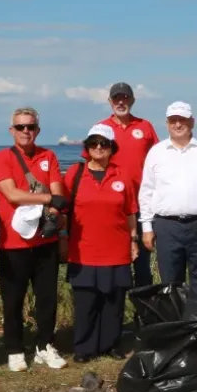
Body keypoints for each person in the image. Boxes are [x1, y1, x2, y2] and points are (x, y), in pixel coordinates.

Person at [0, 107, 69, 372]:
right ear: (12, 130)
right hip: (14, 244)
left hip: (45, 242)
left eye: (31, 126)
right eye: (21, 127)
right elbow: (12, 195)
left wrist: (55, 211)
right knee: (13, 299)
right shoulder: (2, 158)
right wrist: (49, 200)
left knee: (47, 298)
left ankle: (44, 345)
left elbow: (59, 190)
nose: (26, 131)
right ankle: (14, 349)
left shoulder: (49, 155)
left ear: (38, 129)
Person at [139, 101, 197, 318]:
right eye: (173, 120)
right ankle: (176, 336)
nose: (178, 124)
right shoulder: (156, 152)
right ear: (167, 123)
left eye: (182, 119)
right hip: (166, 226)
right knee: (170, 284)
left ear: (192, 121)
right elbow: (146, 192)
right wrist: (146, 227)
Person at [64, 123, 139, 362]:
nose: (99, 147)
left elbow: (130, 212)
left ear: (111, 148)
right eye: (94, 143)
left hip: (116, 249)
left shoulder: (122, 175)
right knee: (85, 302)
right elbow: (63, 212)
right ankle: (84, 348)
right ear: (87, 147)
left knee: (113, 302)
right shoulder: (74, 174)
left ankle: (111, 344)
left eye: (104, 144)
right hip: (83, 250)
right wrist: (62, 240)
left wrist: (134, 240)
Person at [87, 82, 159, 287]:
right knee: (116, 260)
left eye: (125, 98)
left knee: (143, 263)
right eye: (116, 98)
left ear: (132, 100)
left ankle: (144, 314)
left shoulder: (145, 126)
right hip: (113, 204)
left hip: (142, 205)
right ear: (110, 102)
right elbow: (90, 165)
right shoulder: (101, 128)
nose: (121, 102)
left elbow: (158, 161)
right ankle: (114, 309)